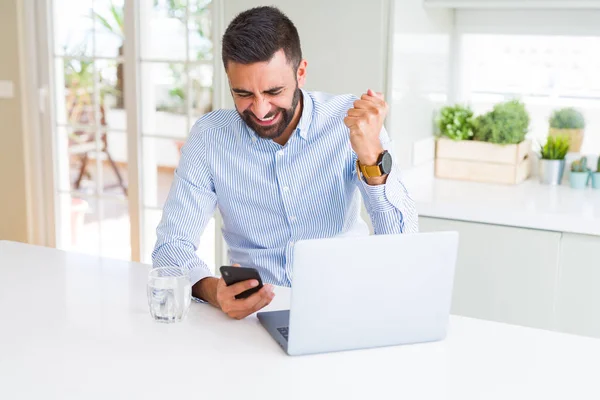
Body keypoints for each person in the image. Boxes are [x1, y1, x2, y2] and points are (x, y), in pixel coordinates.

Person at [152, 6, 418, 320]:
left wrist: (371, 155)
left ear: (300, 72)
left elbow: (403, 244)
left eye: (273, 91)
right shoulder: (210, 138)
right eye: (243, 93)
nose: (260, 109)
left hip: (344, 308)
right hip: (255, 319)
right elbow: (171, 246)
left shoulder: (351, 123)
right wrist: (213, 291)